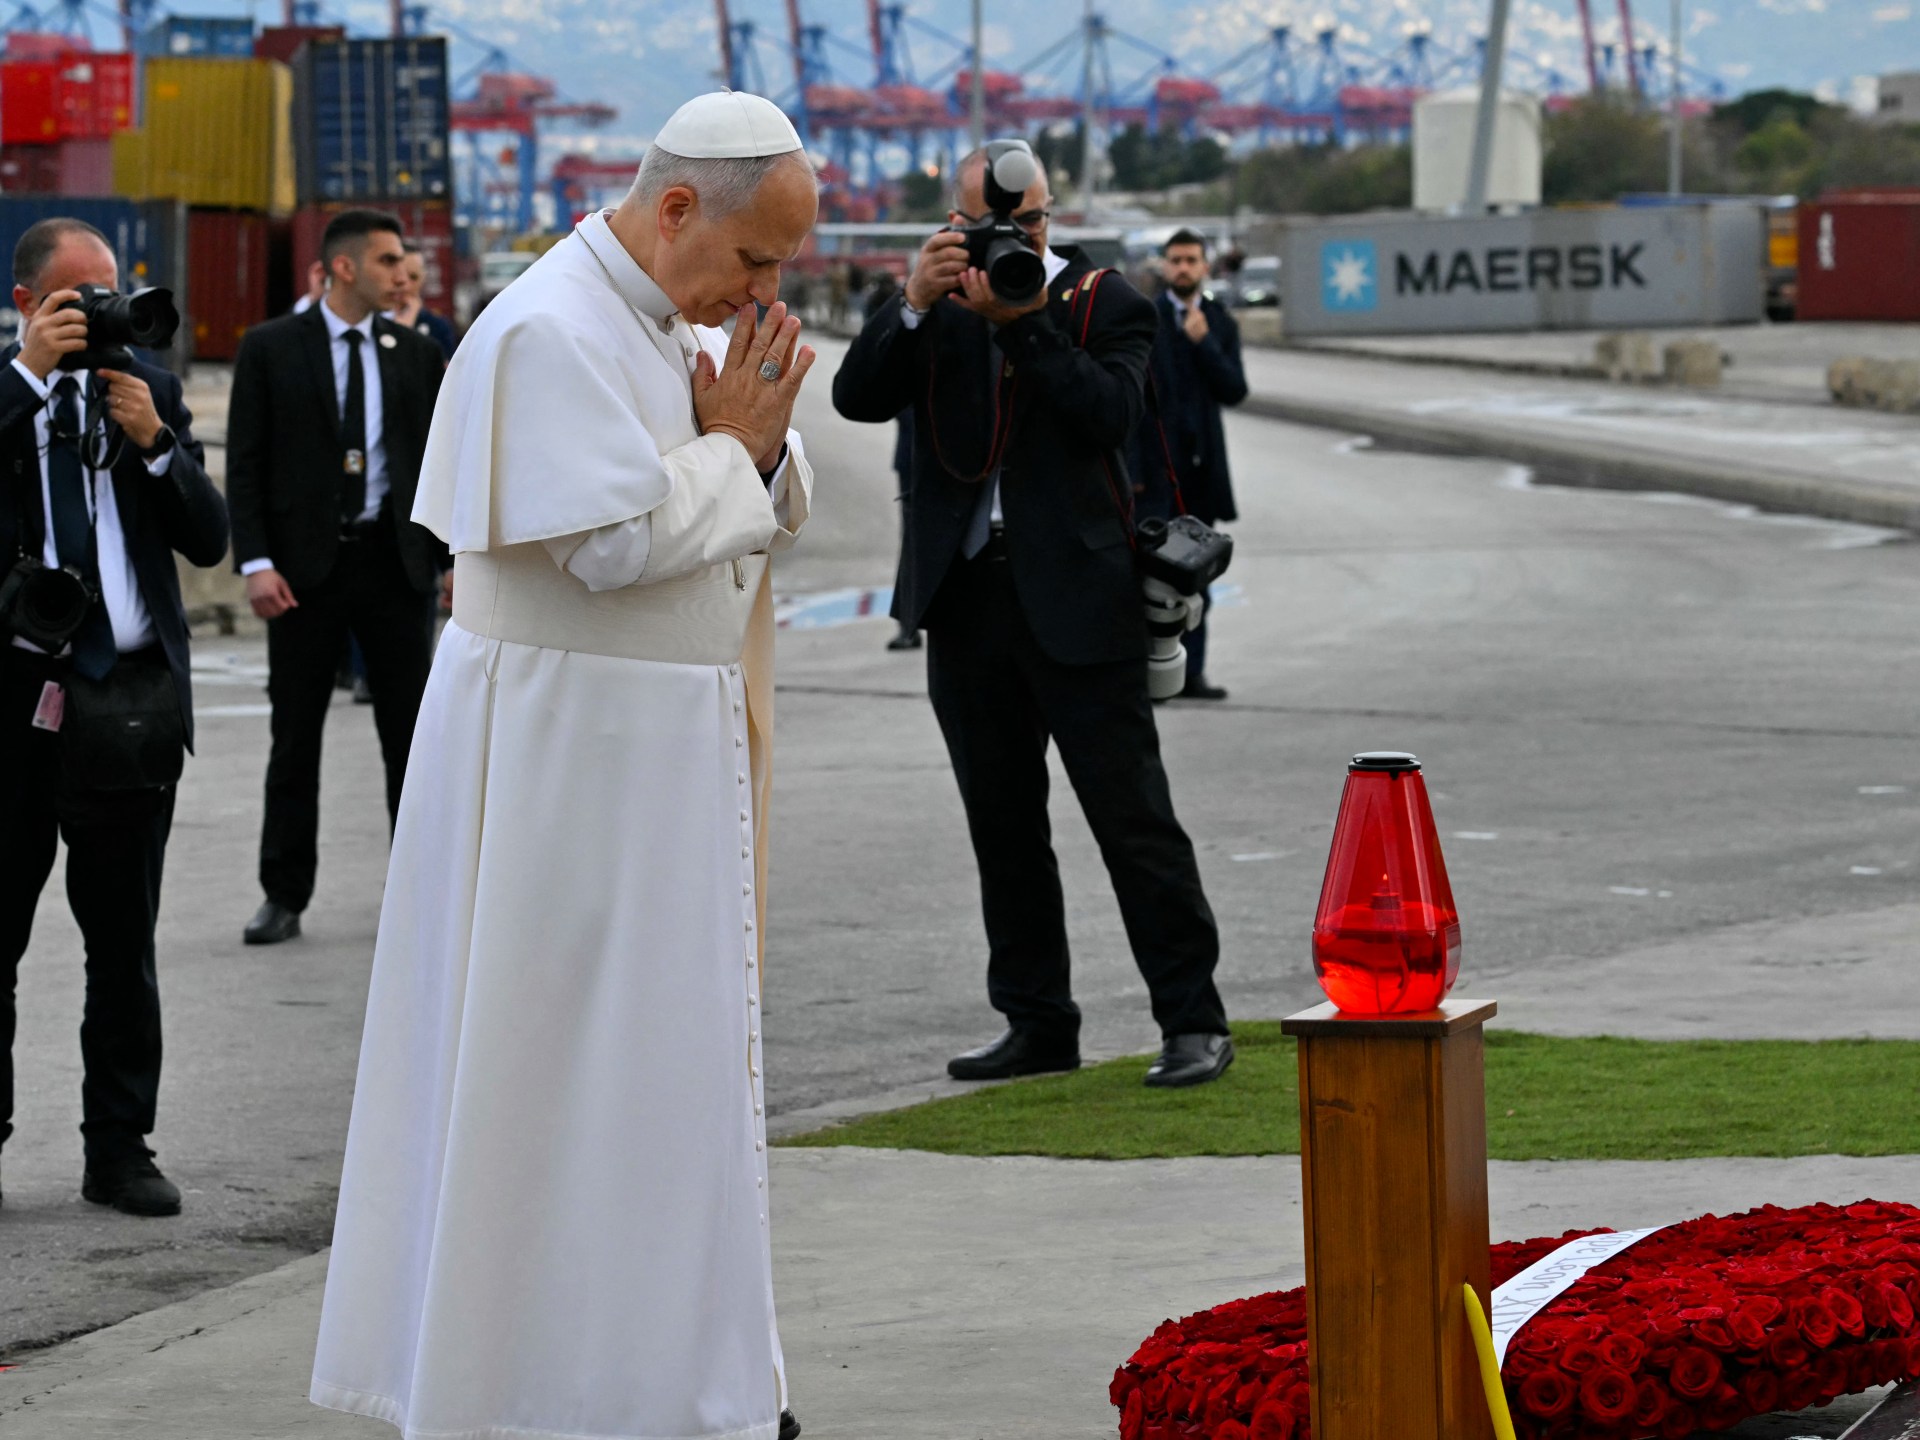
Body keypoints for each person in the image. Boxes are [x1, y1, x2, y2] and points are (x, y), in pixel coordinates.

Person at [309, 91, 817, 1440]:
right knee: (555, 1089)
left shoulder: (654, 318)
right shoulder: (546, 329)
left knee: (658, 1087)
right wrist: (741, 447)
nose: (765, 291)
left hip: (641, 761)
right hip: (573, 766)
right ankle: (538, 1388)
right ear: (673, 210)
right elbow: (608, 543)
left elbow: (727, 475)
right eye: (757, 260)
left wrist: (750, 441)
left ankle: (674, 1379)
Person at [831, 142, 1233, 1090]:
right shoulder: (935, 306)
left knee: (1133, 820)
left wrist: (1022, 323)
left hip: (1081, 601)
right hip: (966, 599)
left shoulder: (1106, 303)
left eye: (1032, 222)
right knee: (1002, 826)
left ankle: (1192, 1020)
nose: (1016, 240)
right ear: (952, 225)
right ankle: (1037, 1021)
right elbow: (855, 398)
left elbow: (1110, 416)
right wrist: (918, 304)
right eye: (990, 228)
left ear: (1054, 217)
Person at [0, 218, 229, 1215]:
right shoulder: (5, 396)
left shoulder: (149, 392)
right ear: (25, 304)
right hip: (14, 710)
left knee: (123, 949)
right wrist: (22, 384)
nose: (101, 312)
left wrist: (154, 443)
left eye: (110, 292)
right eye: (77, 296)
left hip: (127, 709)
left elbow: (209, 537)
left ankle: (120, 1147)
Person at [226, 209, 447, 947]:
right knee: (295, 740)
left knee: (409, 739)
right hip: (302, 575)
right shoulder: (269, 349)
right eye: (388, 262)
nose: (401, 275)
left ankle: (420, 893)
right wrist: (255, 562)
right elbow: (246, 463)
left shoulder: (414, 354)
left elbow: (439, 466)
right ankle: (283, 894)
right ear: (344, 268)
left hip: (393, 569)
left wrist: (447, 564)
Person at [1129, 228, 1246, 702]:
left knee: (1196, 579)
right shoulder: (1143, 319)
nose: (1183, 268)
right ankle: (1147, 677)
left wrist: (1204, 344)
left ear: (1204, 266)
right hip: (1154, 476)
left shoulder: (1218, 321)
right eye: (1175, 260)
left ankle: (1191, 673)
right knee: (1149, 582)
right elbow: (1131, 402)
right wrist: (1132, 474)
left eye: (1191, 260)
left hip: (1200, 475)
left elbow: (1235, 390)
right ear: (1164, 265)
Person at [862, 273, 920, 652]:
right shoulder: (902, 332)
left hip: (927, 452)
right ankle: (910, 623)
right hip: (916, 453)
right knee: (914, 539)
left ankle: (911, 624)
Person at [386, 242, 457, 362]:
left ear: (423, 279)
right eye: (398, 276)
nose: (405, 285)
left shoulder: (438, 327)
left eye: (413, 277)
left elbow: (446, 375)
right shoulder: (367, 323)